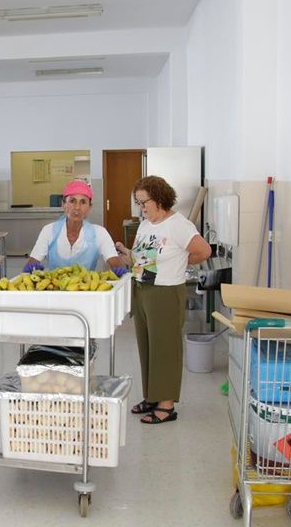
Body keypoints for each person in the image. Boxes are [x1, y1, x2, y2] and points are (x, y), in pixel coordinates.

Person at [128, 175, 211, 425]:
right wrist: (126, 255)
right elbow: (140, 256)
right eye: (139, 202)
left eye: (145, 202)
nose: (141, 208)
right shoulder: (145, 225)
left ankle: (166, 405)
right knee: (147, 347)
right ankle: (152, 396)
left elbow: (204, 251)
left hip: (166, 293)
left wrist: (181, 261)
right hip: (143, 290)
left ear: (160, 199)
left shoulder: (178, 225)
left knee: (165, 349)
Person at [24, 179, 128, 274]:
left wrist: (118, 269)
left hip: (87, 290)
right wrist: (30, 267)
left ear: (89, 207)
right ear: (64, 204)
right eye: (72, 201)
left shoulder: (99, 233)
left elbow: (114, 261)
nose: (77, 207)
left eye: (83, 202)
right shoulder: (49, 231)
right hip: (55, 290)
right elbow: (32, 261)